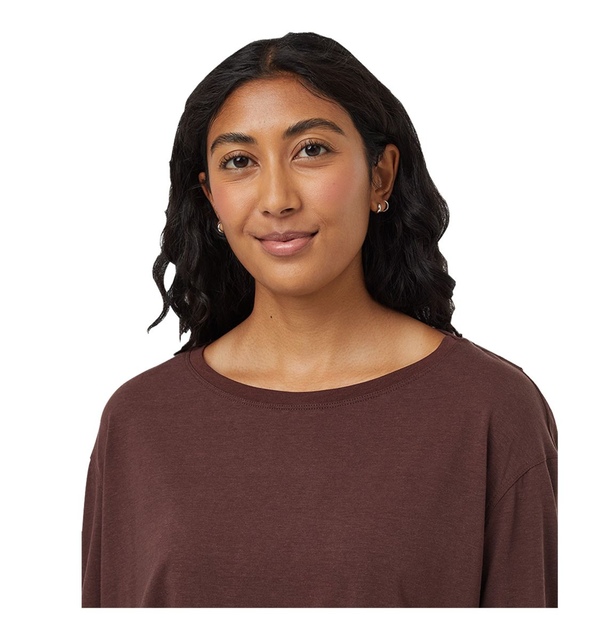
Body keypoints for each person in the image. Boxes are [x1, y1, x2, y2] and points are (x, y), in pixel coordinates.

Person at [81, 32, 557, 608]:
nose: (277, 198)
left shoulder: (490, 410)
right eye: (239, 162)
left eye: (310, 150)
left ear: (380, 176)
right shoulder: (139, 422)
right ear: (210, 198)